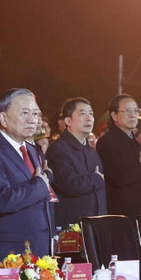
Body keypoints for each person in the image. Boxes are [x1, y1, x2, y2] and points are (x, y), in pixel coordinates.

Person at [0, 88, 54, 265]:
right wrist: (40, 186)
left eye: (35, 113)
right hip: (9, 255)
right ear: (3, 118)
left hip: (38, 250)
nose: (32, 119)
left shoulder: (32, 150)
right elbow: (2, 200)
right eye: (25, 113)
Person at [45, 97, 106, 228]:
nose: (89, 118)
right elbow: (70, 185)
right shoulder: (58, 149)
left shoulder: (92, 152)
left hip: (96, 224)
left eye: (91, 114)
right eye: (82, 113)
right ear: (68, 120)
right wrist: (95, 179)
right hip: (72, 227)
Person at [96, 94, 141, 217]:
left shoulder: (137, 143)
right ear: (114, 115)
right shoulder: (107, 142)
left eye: (136, 110)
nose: (133, 115)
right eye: (127, 111)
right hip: (122, 213)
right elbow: (117, 177)